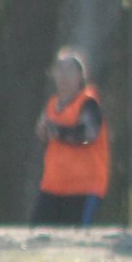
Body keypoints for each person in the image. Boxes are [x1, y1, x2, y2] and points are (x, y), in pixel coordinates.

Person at [32, 48, 109, 226]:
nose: (63, 76)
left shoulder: (88, 103)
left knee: (74, 239)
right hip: (52, 187)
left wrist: (57, 132)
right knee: (37, 234)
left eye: (69, 71)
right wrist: (43, 133)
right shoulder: (51, 105)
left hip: (83, 188)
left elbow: (89, 135)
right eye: (59, 70)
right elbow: (46, 139)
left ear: (81, 76)